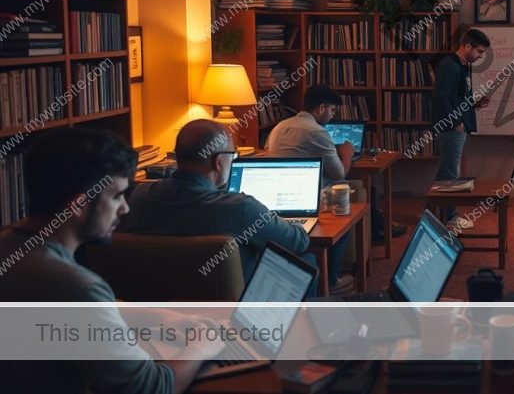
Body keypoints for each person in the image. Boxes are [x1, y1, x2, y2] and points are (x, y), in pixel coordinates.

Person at [0, 128, 223, 393]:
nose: (125, 209)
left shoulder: (12, 246)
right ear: (79, 204)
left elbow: (84, 311)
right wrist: (201, 346)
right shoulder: (74, 286)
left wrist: (161, 317)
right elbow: (152, 387)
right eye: (117, 196)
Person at [120, 120, 329, 291]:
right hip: (233, 309)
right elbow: (297, 242)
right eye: (233, 155)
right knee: (307, 259)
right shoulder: (241, 208)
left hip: (159, 307)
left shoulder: (139, 196)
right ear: (219, 162)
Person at [266, 84, 405, 243]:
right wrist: (347, 154)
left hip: (277, 194)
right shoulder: (316, 131)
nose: (332, 115)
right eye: (332, 110)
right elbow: (339, 173)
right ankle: (373, 233)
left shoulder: (279, 127)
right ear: (321, 108)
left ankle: (375, 228)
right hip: (307, 194)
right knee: (358, 187)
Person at [431, 28, 491, 229]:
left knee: (446, 171)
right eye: (479, 51)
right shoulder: (450, 66)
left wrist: (474, 104)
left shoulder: (463, 66)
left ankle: (431, 213)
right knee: (450, 173)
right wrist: (457, 122)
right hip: (451, 128)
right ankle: (451, 217)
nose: (481, 56)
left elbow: (455, 97)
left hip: (458, 125)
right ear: (467, 46)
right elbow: (441, 98)